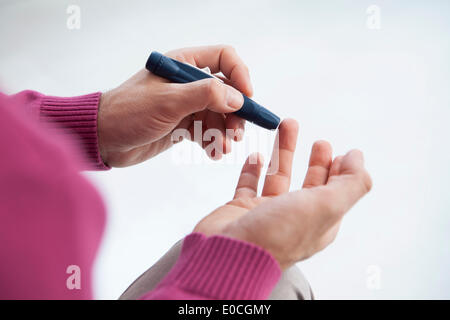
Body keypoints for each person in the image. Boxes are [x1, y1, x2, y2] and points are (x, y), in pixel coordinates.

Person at [0, 45, 372, 299]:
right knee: (281, 281)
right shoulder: (46, 198)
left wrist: (94, 124)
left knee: (275, 275)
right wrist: (229, 273)